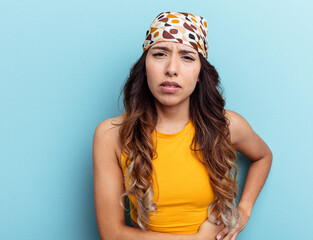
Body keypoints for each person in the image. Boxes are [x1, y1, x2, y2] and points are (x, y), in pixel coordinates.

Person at [93, 11, 272, 240]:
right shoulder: (111, 135)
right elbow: (111, 234)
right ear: (145, 66)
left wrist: (244, 211)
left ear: (199, 73)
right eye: (159, 54)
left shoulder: (226, 125)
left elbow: (263, 156)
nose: (172, 68)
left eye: (187, 57)